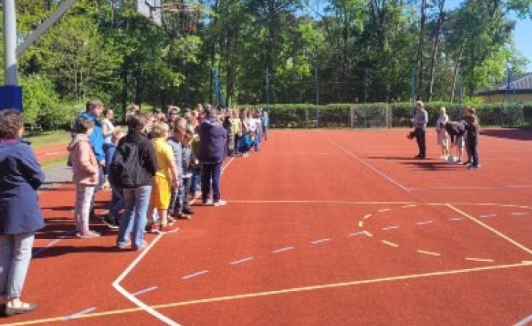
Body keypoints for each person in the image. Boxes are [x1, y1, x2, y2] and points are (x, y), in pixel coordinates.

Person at [0, 110, 44, 317]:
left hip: (2, 207)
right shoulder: (21, 150)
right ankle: (13, 300)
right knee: (21, 253)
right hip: (21, 206)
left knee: (4, 252)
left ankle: (4, 296)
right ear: (17, 128)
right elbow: (38, 176)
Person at [113, 113, 158, 250]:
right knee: (140, 211)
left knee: (129, 209)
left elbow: (116, 161)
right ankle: (137, 242)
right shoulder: (146, 142)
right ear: (143, 126)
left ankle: (122, 240)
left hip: (127, 180)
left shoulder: (123, 141)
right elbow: (154, 165)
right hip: (143, 180)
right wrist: (151, 174)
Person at [67, 119, 101, 238]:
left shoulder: (77, 142)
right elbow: (83, 161)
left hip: (80, 176)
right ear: (88, 130)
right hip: (87, 178)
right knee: (85, 204)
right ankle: (84, 230)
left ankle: (79, 227)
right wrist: (94, 170)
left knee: (80, 203)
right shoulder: (83, 144)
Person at [146, 122, 180, 233]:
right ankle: (163, 223)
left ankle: (149, 222)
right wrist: (176, 179)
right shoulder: (165, 147)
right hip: (162, 176)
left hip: (149, 176)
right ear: (163, 132)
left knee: (151, 201)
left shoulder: (150, 143)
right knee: (163, 201)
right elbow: (172, 164)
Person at [78, 99, 106, 219]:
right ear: (91, 108)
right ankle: (87, 212)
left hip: (96, 154)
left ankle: (88, 210)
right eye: (99, 108)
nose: (101, 110)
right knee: (93, 185)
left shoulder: (96, 121)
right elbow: (93, 141)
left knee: (96, 184)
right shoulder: (88, 121)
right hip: (93, 157)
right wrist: (99, 157)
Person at [198, 107, 227, 206]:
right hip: (216, 155)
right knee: (215, 177)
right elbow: (225, 135)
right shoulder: (219, 127)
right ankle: (216, 199)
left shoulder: (202, 126)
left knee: (205, 178)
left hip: (204, 155)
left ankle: (205, 199)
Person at [102, 131, 126, 228]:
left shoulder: (117, 149)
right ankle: (111, 215)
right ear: (117, 140)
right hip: (116, 179)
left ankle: (113, 218)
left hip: (117, 178)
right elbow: (110, 167)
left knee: (116, 198)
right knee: (125, 198)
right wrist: (109, 180)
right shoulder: (112, 150)